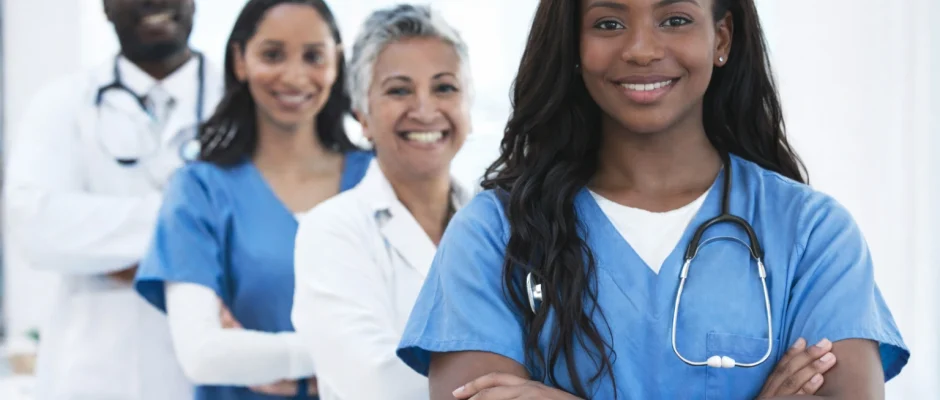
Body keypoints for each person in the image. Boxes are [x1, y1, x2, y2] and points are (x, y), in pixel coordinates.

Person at [394, 0, 910, 399]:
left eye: (676, 19)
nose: (641, 48)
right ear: (573, 44)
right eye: (609, 23)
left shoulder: (812, 234)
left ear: (721, 38)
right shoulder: (494, 234)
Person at [132, 0, 371, 398]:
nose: (294, 76)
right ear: (240, 60)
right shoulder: (199, 190)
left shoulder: (378, 178)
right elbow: (203, 354)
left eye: (314, 56)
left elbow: (421, 332)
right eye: (272, 55)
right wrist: (346, 355)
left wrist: (272, 358)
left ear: (337, 63)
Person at [3, 0, 223, 398]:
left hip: (221, 372)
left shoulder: (245, 103)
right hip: (96, 376)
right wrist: (196, 228)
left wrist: (110, 246)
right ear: (105, 6)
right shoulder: (63, 103)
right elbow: (37, 229)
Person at [290, 5, 473, 400]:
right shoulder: (332, 230)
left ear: (468, 107)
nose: (425, 111)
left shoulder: (507, 223)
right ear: (363, 116)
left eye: (445, 87)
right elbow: (375, 383)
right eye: (399, 90)